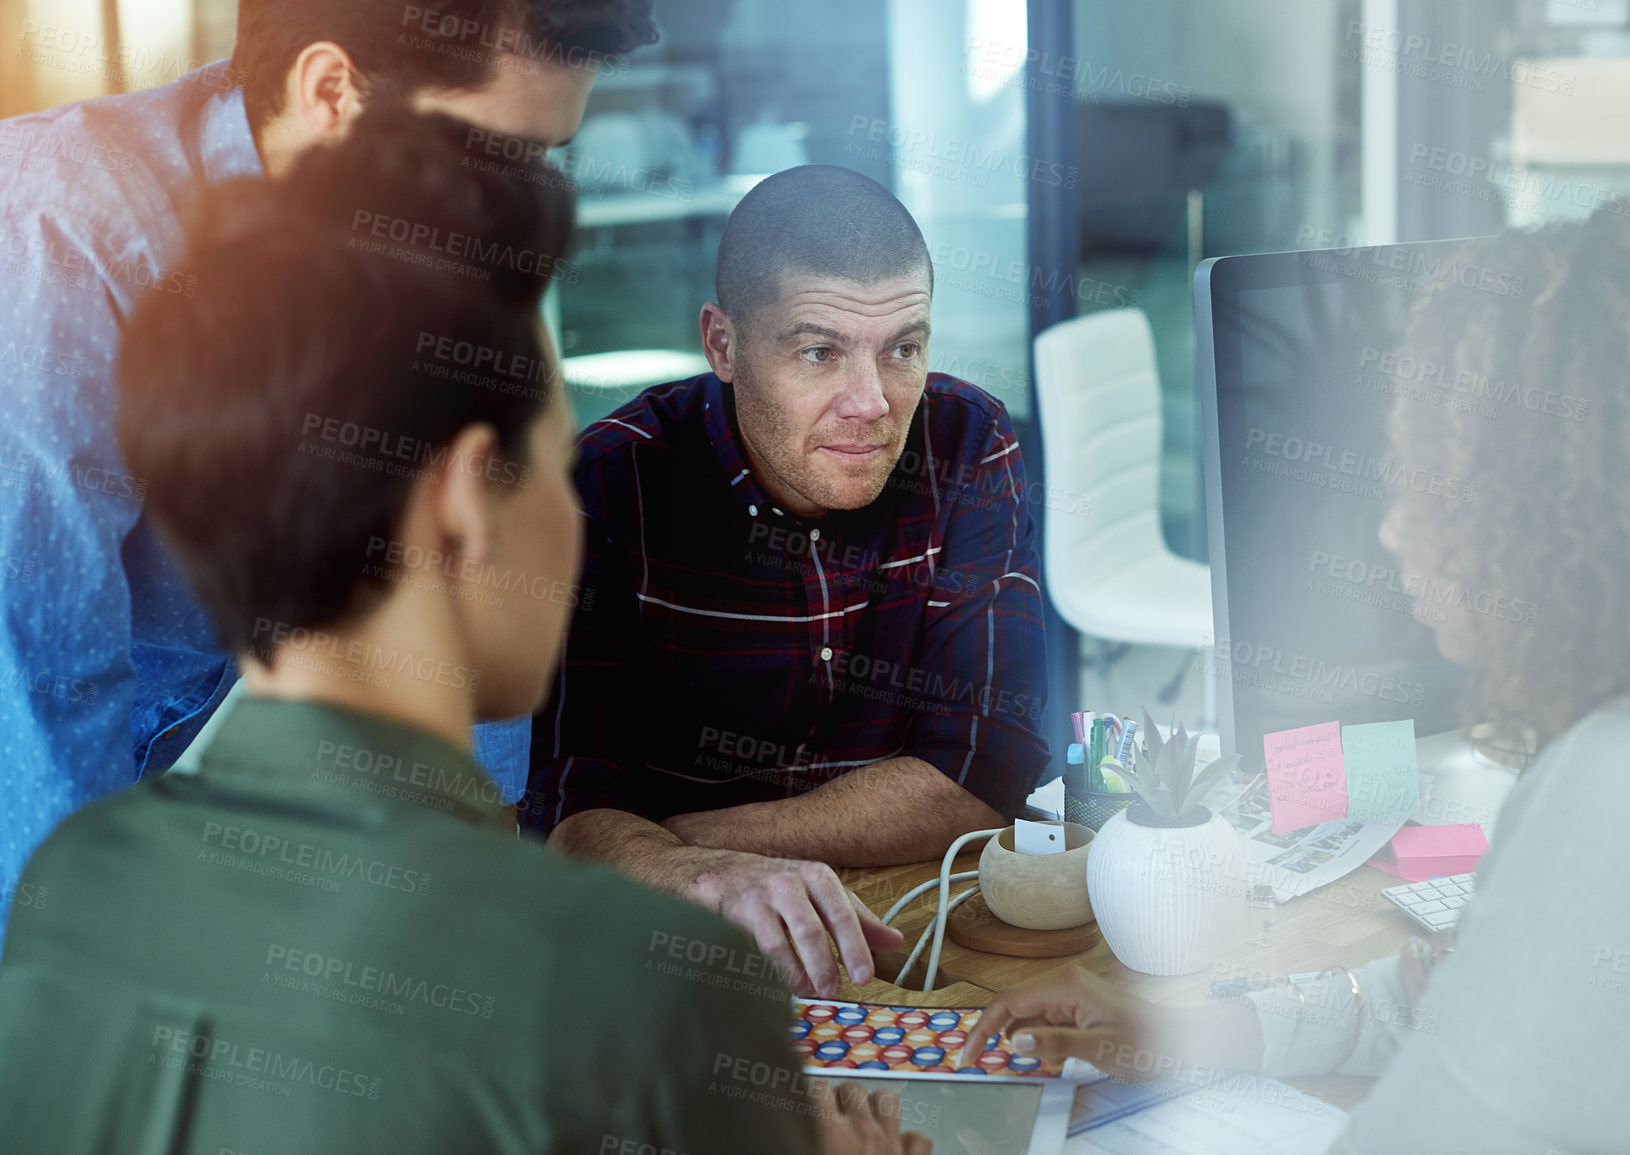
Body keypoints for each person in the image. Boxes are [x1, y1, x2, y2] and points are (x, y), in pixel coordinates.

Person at [0, 111, 931, 1155]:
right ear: (461, 504)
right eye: (549, 465)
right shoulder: (636, 983)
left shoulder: (76, 880)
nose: (574, 521)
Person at [958, 181, 1630, 1153]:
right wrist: (1173, 1034)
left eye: (1434, 487)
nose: (1394, 531)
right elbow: (1438, 1004)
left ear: (1554, 517)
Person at [0, 0, 655, 953]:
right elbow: (40, 693)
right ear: (331, 92)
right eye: (498, 153)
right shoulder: (64, 227)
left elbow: (468, 598)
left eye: (547, 156)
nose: (522, 204)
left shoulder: (439, 251)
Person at [522, 164, 1051, 997]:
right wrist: (686, 871)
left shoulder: (964, 441)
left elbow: (986, 772)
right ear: (723, 345)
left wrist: (673, 844)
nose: (872, 402)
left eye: (902, 348)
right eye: (818, 351)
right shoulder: (615, 480)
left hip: (915, 918)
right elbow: (571, 816)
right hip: (685, 952)